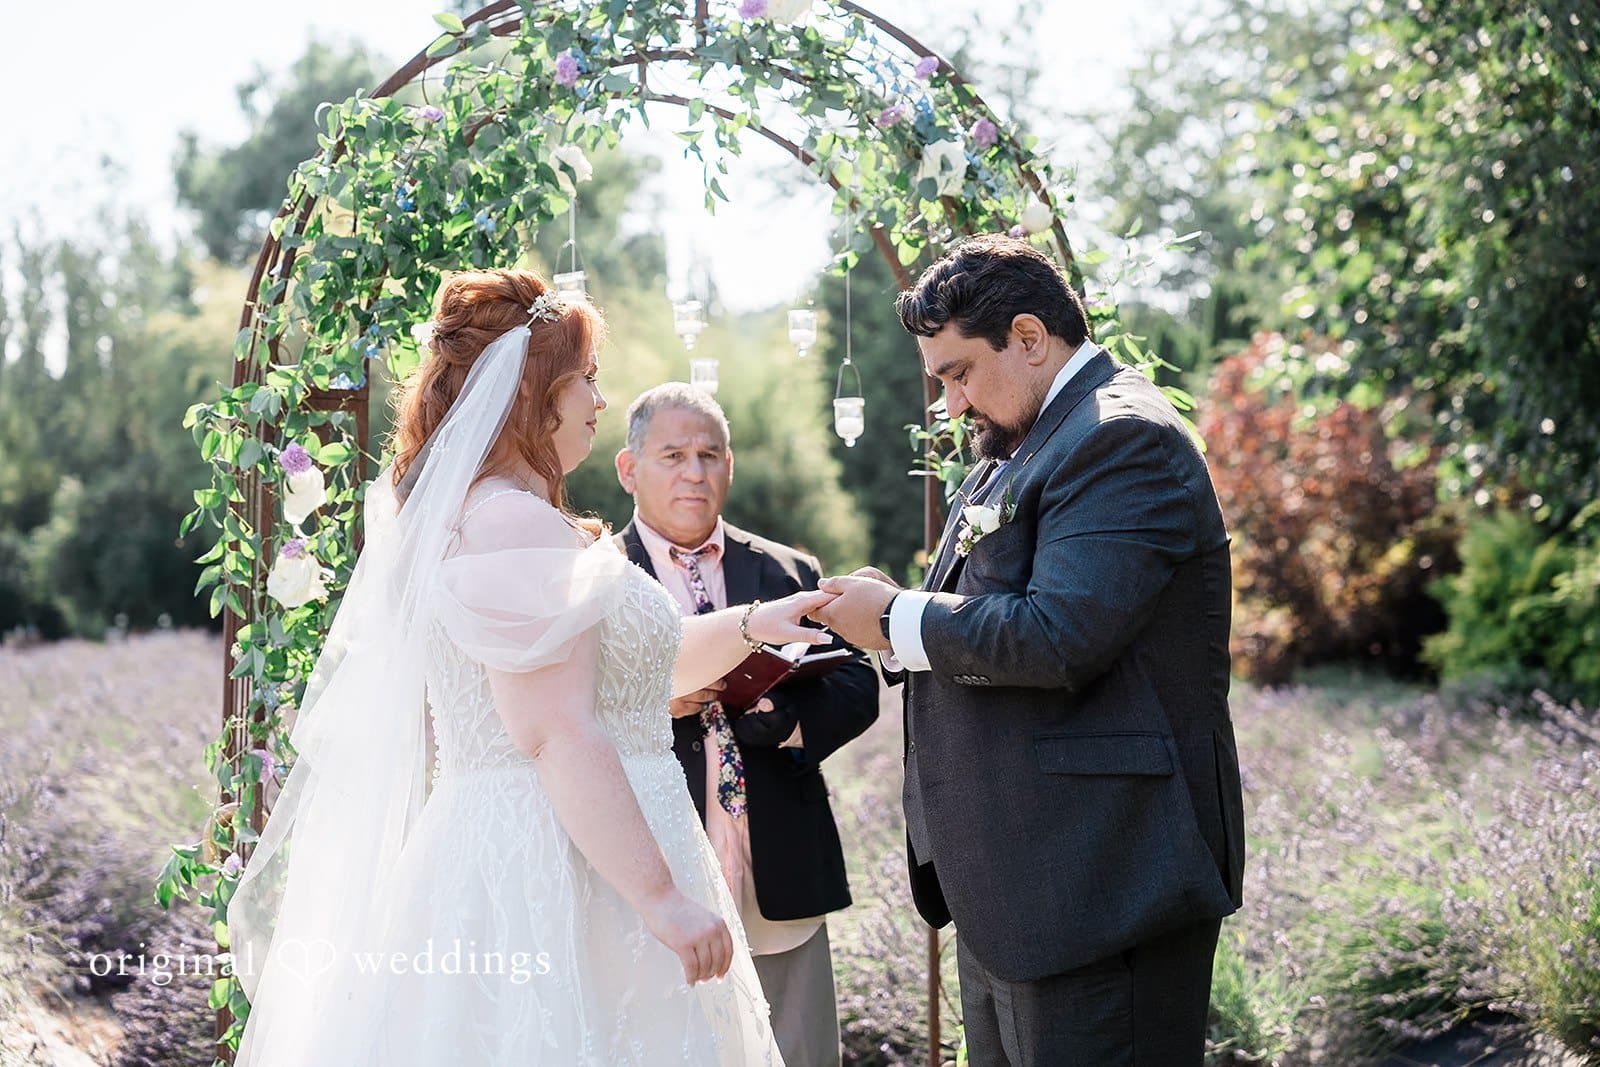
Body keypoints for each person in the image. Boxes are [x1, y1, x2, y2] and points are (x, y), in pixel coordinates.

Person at [228, 269, 833, 1066]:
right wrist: (661, 899)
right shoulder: (509, 523)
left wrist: (758, 623)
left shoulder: (510, 516)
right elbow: (555, 730)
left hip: (588, 843)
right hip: (557, 869)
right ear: (530, 393)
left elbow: (635, 677)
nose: (599, 400)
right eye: (586, 379)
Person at [810, 235, 1246, 1066]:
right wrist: (887, 614)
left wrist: (898, 617)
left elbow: (1057, 634)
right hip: (1019, 891)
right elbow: (994, 607)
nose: (952, 404)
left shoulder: (1123, 438)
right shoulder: (1032, 437)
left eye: (960, 373)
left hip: (1103, 885)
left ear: (1030, 337)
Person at [613, 383, 879, 1067]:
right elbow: (565, 719)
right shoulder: (600, 578)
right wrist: (655, 705)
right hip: (657, 871)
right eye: (673, 454)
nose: (694, 473)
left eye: (710, 454)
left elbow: (855, 682)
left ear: (730, 465)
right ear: (628, 468)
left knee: (799, 1053)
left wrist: (788, 724)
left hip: (781, 872)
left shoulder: (787, 569)